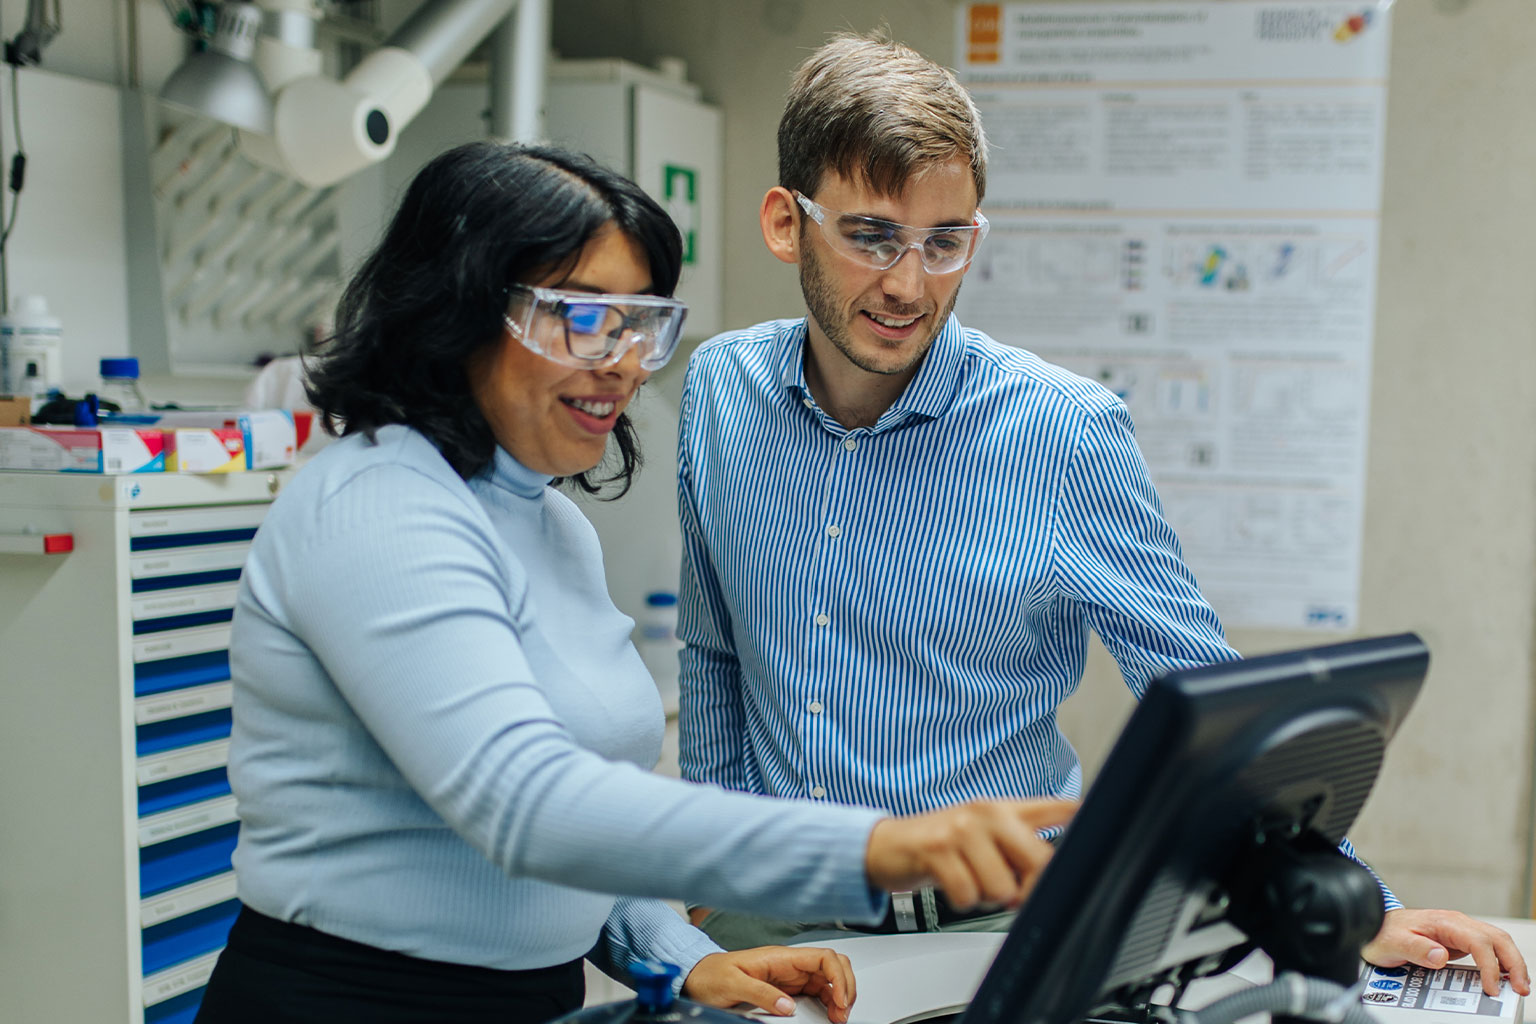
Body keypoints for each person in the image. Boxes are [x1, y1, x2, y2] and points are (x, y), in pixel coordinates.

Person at [674, 31, 1529, 997]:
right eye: (872, 236)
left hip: (1001, 923)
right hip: (773, 911)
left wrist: (1349, 894)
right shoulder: (720, 389)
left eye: (946, 243)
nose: (910, 285)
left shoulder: (1063, 433)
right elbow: (715, 648)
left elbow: (1204, 695)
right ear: (787, 223)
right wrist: (710, 858)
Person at [193, 141, 1076, 1024]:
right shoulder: (376, 505)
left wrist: (684, 957)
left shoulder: (552, 526)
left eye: (638, 323)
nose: (622, 360)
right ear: (457, 312)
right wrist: (880, 844)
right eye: (582, 317)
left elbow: (573, 828)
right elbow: (528, 804)